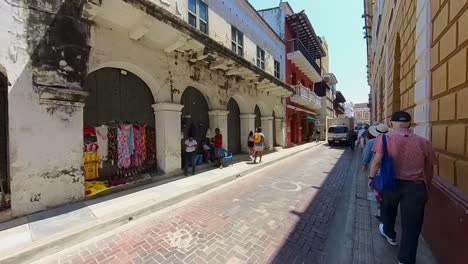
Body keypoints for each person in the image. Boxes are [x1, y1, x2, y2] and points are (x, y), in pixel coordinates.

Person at [369, 111, 435, 264]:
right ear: (410, 124)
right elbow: (429, 168)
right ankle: (405, 259)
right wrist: (428, 186)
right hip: (416, 187)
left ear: (392, 123)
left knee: (388, 210)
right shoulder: (424, 142)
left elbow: (377, 161)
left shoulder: (384, 138)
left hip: (390, 184)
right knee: (412, 226)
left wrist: (371, 178)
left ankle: (389, 234)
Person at [362, 123, 389, 221]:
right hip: (387, 170)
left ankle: (380, 209)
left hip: (375, 169)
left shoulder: (372, 141)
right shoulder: (391, 140)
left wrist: (364, 163)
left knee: (375, 188)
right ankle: (384, 209)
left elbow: (367, 155)